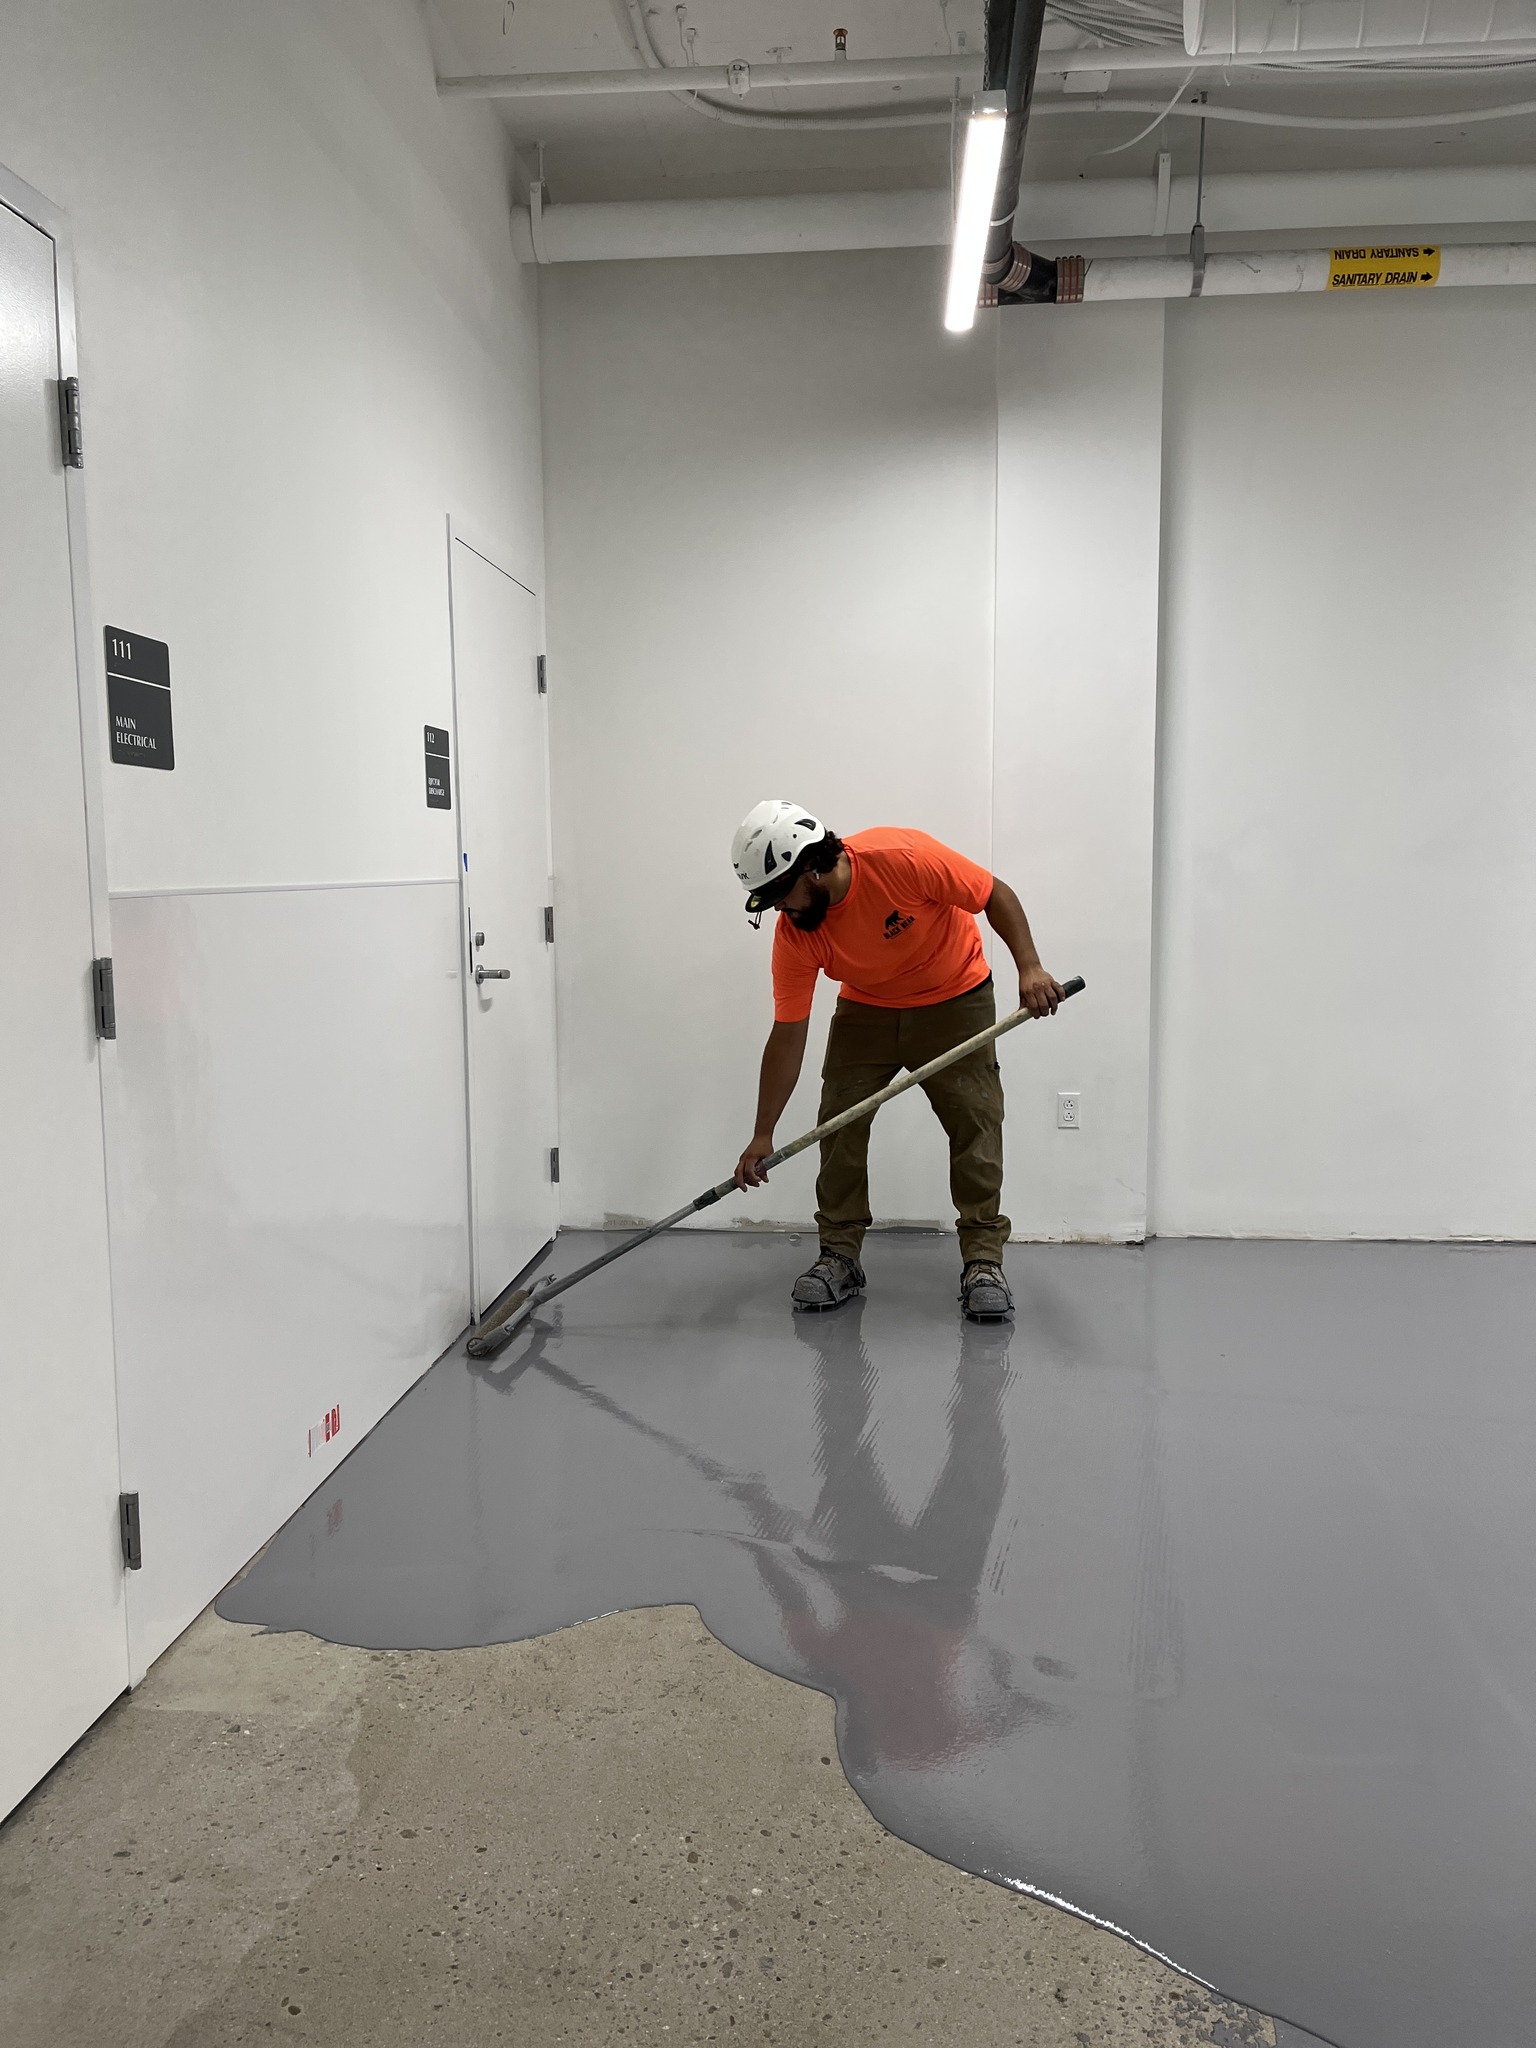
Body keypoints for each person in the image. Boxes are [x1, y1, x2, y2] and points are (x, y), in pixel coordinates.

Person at [730, 801, 1063, 1321]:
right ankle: (839, 1255)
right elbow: (788, 1035)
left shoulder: (899, 857)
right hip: (867, 1008)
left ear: (812, 865)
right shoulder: (796, 932)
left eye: (781, 894)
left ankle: (982, 1260)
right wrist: (762, 1133)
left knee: (976, 1121)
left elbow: (993, 893)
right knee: (838, 1122)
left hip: (955, 996)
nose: (780, 910)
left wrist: (1031, 967)